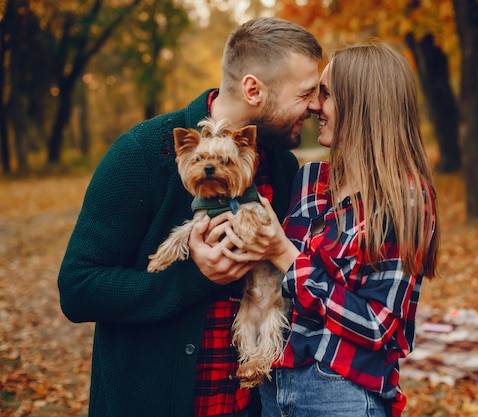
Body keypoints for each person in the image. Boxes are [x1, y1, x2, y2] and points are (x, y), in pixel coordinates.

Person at [57, 17, 322, 417]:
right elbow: (78, 288)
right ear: (254, 90)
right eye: (306, 93)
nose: (316, 106)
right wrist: (192, 279)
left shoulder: (282, 167)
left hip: (252, 406)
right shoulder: (142, 155)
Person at [218, 43, 440, 417]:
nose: (314, 106)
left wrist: (283, 254)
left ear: (361, 106)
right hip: (274, 388)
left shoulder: (404, 199)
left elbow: (376, 326)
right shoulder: (309, 179)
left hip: (342, 394)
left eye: (326, 94)